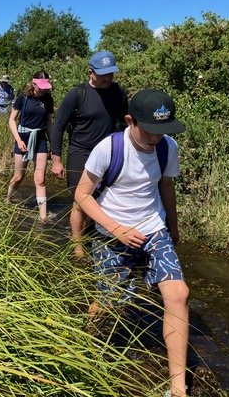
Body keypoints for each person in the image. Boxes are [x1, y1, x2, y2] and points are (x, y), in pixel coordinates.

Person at [74, 89, 188, 397]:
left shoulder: (167, 147)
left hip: (153, 230)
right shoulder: (108, 149)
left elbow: (166, 185)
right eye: (151, 131)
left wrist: (172, 227)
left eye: (163, 131)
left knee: (178, 295)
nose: (156, 139)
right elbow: (81, 195)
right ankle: (85, 338)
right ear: (130, 121)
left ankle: (178, 389)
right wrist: (117, 229)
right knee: (111, 303)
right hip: (113, 234)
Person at [50, 50, 128, 257]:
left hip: (110, 154)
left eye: (111, 73)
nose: (108, 78)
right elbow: (58, 126)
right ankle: (78, 247)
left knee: (103, 201)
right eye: (103, 74)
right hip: (80, 153)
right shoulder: (77, 94)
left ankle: (97, 241)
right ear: (90, 72)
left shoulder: (118, 92)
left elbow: (125, 123)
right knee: (80, 202)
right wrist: (56, 160)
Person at [6, 74, 55, 222]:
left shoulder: (48, 100)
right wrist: (18, 140)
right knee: (19, 177)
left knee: (40, 179)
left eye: (45, 88)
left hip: (40, 139)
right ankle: (7, 199)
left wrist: (53, 144)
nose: (43, 91)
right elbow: (12, 120)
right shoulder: (23, 98)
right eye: (40, 87)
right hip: (23, 138)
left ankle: (43, 216)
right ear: (33, 84)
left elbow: (48, 123)